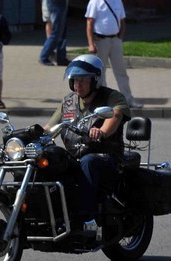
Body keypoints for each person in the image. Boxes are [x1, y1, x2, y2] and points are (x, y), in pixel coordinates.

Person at [44, 54, 130, 238]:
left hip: (107, 158)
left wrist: (102, 132)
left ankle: (87, 220)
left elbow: (114, 117)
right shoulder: (68, 102)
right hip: (75, 157)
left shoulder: (112, 97)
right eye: (74, 80)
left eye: (83, 80)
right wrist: (27, 135)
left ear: (95, 80)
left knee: (89, 161)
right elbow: (49, 128)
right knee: (48, 160)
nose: (77, 85)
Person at [85, 0, 143, 109]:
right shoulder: (95, 2)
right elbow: (89, 22)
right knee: (100, 72)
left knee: (121, 71)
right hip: (100, 40)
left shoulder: (118, 1)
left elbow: (122, 20)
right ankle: (102, 101)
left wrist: (119, 37)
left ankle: (128, 99)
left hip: (115, 40)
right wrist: (90, 43)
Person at [39, 0, 69, 66]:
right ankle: (44, 56)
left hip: (59, 3)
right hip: (56, 3)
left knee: (62, 31)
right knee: (57, 32)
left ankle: (61, 57)